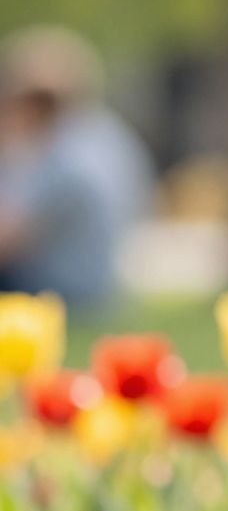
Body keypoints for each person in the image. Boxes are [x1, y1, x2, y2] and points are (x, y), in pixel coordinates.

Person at [0, 27, 154, 308]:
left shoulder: (65, 157)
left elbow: (9, 241)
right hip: (102, 283)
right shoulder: (105, 133)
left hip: (67, 292)